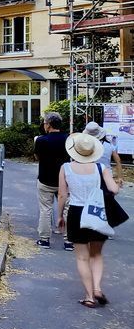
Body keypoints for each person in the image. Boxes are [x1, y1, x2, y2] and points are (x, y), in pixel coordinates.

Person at [57, 132, 120, 308]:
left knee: (82, 258)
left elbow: (62, 194)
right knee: (97, 254)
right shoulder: (101, 168)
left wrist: (60, 215)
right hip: (97, 212)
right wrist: (117, 185)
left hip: (76, 213)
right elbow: (113, 189)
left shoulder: (66, 168)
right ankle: (98, 288)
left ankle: (89, 296)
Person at [33, 113, 71, 250]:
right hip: (64, 181)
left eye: (44, 123)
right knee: (67, 210)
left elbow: (37, 157)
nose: (43, 125)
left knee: (45, 210)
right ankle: (68, 241)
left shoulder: (41, 140)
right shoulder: (68, 139)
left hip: (45, 179)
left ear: (48, 124)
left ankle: (44, 239)